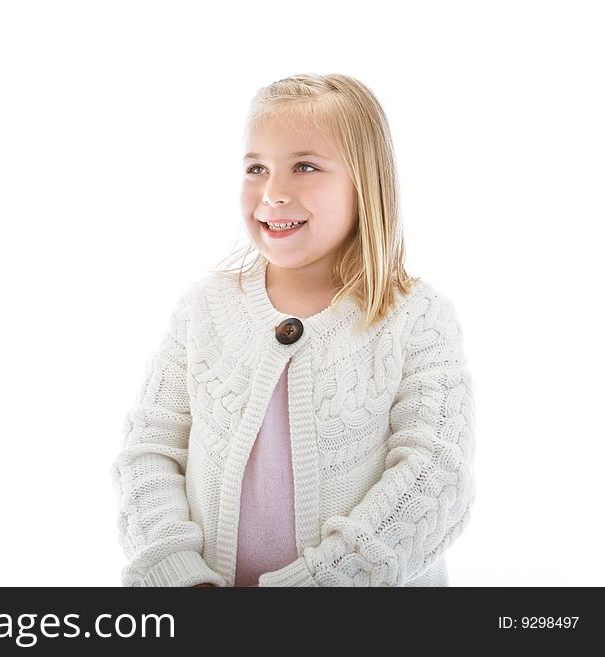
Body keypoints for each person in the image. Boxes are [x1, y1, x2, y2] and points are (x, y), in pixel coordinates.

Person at [110, 73, 476, 587]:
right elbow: (149, 450)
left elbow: (436, 475)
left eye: (305, 167)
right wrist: (178, 574)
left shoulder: (417, 319)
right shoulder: (203, 310)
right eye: (256, 168)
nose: (273, 192)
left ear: (364, 185)